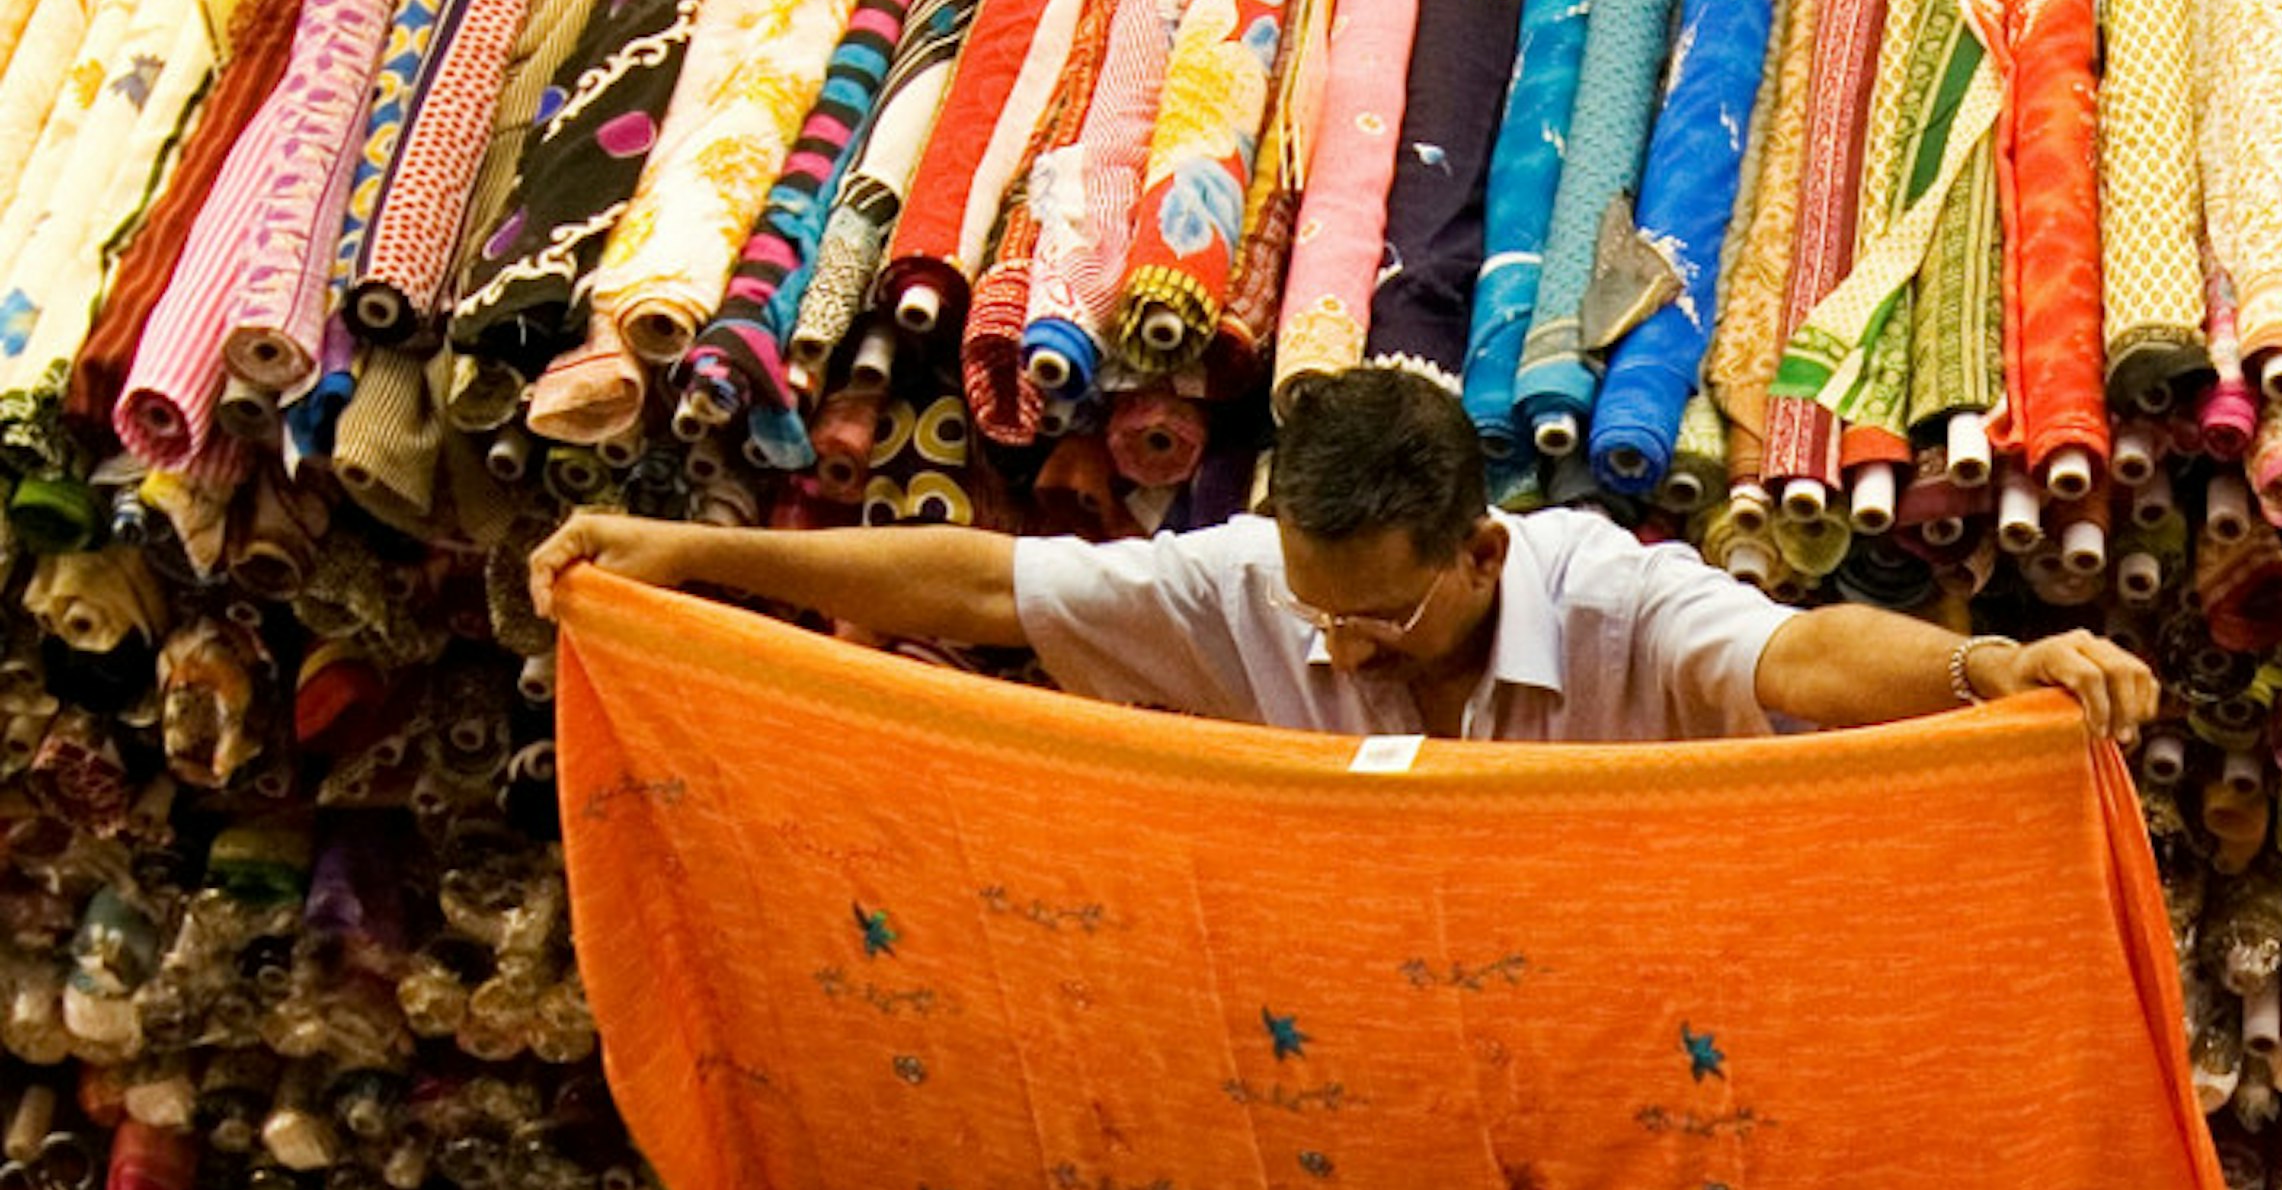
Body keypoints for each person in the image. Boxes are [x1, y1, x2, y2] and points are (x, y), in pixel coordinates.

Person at [528, 361, 2155, 747]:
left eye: (1377, 616)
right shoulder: (1249, 579)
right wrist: (674, 553)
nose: (1345, 649)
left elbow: (1787, 657)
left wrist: (1989, 669)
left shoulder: (1602, 586)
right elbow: (975, 583)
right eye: (1322, 618)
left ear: (1480, 545)